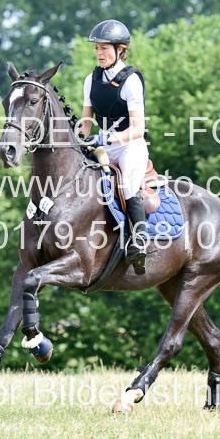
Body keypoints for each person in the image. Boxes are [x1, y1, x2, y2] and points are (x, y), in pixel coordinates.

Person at [78, 19, 150, 275]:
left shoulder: (131, 80)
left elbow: (138, 128)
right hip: (103, 144)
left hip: (130, 145)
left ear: (120, 50)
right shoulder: (91, 79)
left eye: (104, 48)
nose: (99, 53)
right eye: (96, 48)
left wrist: (106, 139)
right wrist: (79, 136)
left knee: (129, 183)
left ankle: (139, 241)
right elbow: (87, 121)